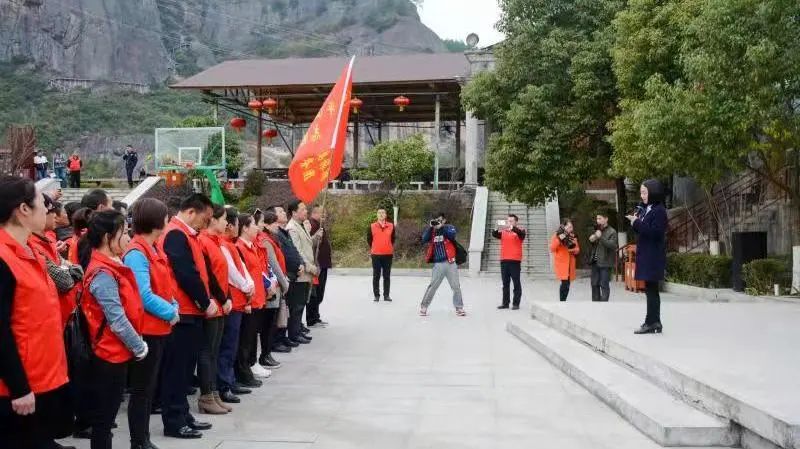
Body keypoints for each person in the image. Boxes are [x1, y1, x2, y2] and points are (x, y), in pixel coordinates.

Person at [0, 176, 73, 449]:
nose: (48, 209)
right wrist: (19, 387)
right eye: (43, 203)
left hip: (44, 379)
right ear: (23, 209)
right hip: (17, 390)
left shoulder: (30, 250)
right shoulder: (3, 258)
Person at [77, 209, 147, 449]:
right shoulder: (103, 273)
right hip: (108, 353)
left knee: (106, 416)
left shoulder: (111, 265)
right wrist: (139, 346)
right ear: (108, 237)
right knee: (104, 420)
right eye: (124, 233)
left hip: (116, 351)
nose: (128, 237)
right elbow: (117, 320)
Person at [123, 198, 180, 449]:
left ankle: (143, 439)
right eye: (166, 216)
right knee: (142, 390)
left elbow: (164, 286)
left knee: (149, 387)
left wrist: (173, 305)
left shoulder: (153, 248)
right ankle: (139, 440)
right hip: (146, 329)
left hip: (159, 327)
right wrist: (170, 311)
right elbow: (143, 295)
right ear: (157, 221)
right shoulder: (137, 253)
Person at [158, 193, 215, 439]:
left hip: (191, 311)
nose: (206, 223)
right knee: (177, 370)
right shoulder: (175, 234)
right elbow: (186, 274)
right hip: (183, 311)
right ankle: (174, 420)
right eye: (205, 218)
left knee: (185, 369)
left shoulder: (186, 234)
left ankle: (183, 414)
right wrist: (205, 301)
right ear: (191, 212)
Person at [197, 204, 234, 415]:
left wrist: (227, 297)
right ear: (212, 220)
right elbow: (208, 277)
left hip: (221, 304)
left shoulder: (217, 241)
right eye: (224, 219)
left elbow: (223, 274)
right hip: (211, 304)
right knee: (207, 352)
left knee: (214, 351)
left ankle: (214, 393)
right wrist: (222, 297)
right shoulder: (203, 241)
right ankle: (206, 396)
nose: (226, 223)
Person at [216, 207, 255, 403]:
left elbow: (242, 268)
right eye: (237, 223)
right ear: (230, 225)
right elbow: (231, 272)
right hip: (234, 300)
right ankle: (224, 384)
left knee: (232, 344)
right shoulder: (223, 245)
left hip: (240, 299)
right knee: (227, 346)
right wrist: (246, 285)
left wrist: (249, 284)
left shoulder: (229, 244)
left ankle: (230, 380)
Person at [627, 179, 668, 334]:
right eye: (641, 193)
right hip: (647, 254)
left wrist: (637, 223)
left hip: (653, 256)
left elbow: (656, 233)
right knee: (650, 290)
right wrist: (635, 222)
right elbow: (644, 231)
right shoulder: (647, 208)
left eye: (644, 192)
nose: (642, 196)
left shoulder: (659, 211)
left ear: (653, 192)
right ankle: (654, 322)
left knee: (651, 291)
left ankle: (651, 322)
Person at [234, 214, 268, 388]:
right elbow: (241, 277)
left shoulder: (251, 246)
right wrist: (247, 302)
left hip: (257, 298)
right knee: (244, 340)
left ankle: (247, 368)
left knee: (250, 338)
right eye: (253, 224)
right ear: (245, 228)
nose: (256, 228)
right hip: (249, 301)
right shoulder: (239, 248)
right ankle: (243, 372)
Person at [266, 205, 303, 353]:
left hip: (289, 275)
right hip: (282, 277)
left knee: (285, 309)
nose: (283, 213)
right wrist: (283, 278)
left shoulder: (281, 233)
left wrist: (300, 263)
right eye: (280, 211)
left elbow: (294, 250)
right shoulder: (270, 238)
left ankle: (282, 336)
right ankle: (276, 340)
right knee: (278, 312)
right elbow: (275, 261)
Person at [285, 200, 318, 344]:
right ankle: (294, 333)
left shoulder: (301, 225)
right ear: (294, 212)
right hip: (301, 272)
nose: (306, 211)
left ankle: (298, 330)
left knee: (302, 303)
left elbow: (306, 245)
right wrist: (310, 267)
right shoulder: (292, 228)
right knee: (297, 305)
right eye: (303, 209)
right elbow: (298, 252)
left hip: (306, 272)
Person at [419, 213, 465, 317]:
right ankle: (424, 306)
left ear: (444, 220)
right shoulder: (432, 231)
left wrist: (442, 227)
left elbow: (452, 235)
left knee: (456, 286)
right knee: (433, 286)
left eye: (439, 220)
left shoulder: (449, 228)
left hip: (451, 263)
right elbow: (424, 239)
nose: (437, 222)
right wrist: (430, 227)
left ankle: (459, 308)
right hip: (438, 264)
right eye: (436, 220)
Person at [259, 210, 288, 369]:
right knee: (268, 325)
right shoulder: (266, 241)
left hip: (276, 284)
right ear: (267, 225)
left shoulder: (271, 239)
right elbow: (273, 265)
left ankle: (267, 353)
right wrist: (284, 283)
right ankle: (265, 354)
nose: (277, 225)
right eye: (274, 223)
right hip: (272, 287)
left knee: (272, 323)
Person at [492, 214, 526, 310]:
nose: (509, 222)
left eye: (511, 221)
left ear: (516, 222)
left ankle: (516, 303)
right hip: (504, 260)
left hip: (515, 261)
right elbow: (495, 234)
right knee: (505, 283)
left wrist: (512, 228)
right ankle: (505, 303)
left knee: (516, 283)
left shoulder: (520, 231)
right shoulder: (504, 232)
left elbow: (521, 235)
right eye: (508, 221)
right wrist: (496, 227)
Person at [307, 204, 330, 327]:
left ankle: (316, 316)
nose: (324, 215)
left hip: (322, 264)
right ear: (314, 213)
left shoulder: (319, 226)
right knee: (315, 292)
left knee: (319, 292)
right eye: (322, 213)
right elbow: (310, 244)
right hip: (317, 264)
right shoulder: (312, 225)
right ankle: (312, 318)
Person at [588, 212, 618, 302]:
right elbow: (594, 244)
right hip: (595, 261)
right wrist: (592, 239)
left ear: (606, 219)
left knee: (604, 285)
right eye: (597, 219)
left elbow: (613, 245)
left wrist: (600, 237)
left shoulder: (612, 231)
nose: (598, 221)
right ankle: (595, 305)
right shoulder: (597, 230)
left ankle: (604, 306)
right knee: (594, 284)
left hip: (605, 263)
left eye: (600, 218)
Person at [367, 208, 395, 302]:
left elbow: (393, 239)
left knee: (387, 276)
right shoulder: (372, 226)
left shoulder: (391, 226)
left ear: (386, 215)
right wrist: (375, 247)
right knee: (376, 276)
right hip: (376, 254)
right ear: (377, 215)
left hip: (388, 254)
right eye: (379, 213)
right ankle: (376, 295)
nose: (381, 214)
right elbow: (369, 240)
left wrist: (387, 246)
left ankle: (386, 295)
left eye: (383, 212)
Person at [550, 219, 579, 301]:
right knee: (565, 282)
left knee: (567, 284)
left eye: (571, 227)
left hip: (570, 263)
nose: (571, 229)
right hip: (562, 263)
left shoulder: (572, 236)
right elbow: (552, 248)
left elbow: (577, 249)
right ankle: (562, 301)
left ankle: (563, 301)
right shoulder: (557, 235)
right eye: (569, 227)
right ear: (564, 227)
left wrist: (574, 250)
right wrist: (559, 239)